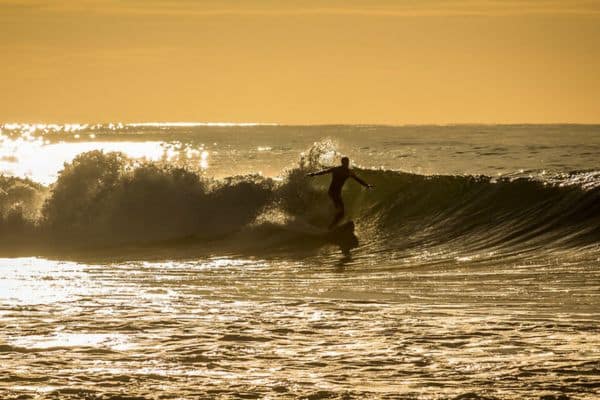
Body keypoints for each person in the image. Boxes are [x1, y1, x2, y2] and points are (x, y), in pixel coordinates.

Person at [307, 156, 373, 229]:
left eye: (347, 162)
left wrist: (366, 185)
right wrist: (314, 174)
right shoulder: (337, 169)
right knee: (341, 212)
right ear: (342, 163)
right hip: (333, 192)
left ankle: (332, 224)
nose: (347, 164)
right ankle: (331, 227)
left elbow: (357, 179)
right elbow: (324, 171)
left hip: (336, 193)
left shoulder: (348, 172)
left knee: (340, 211)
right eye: (345, 162)